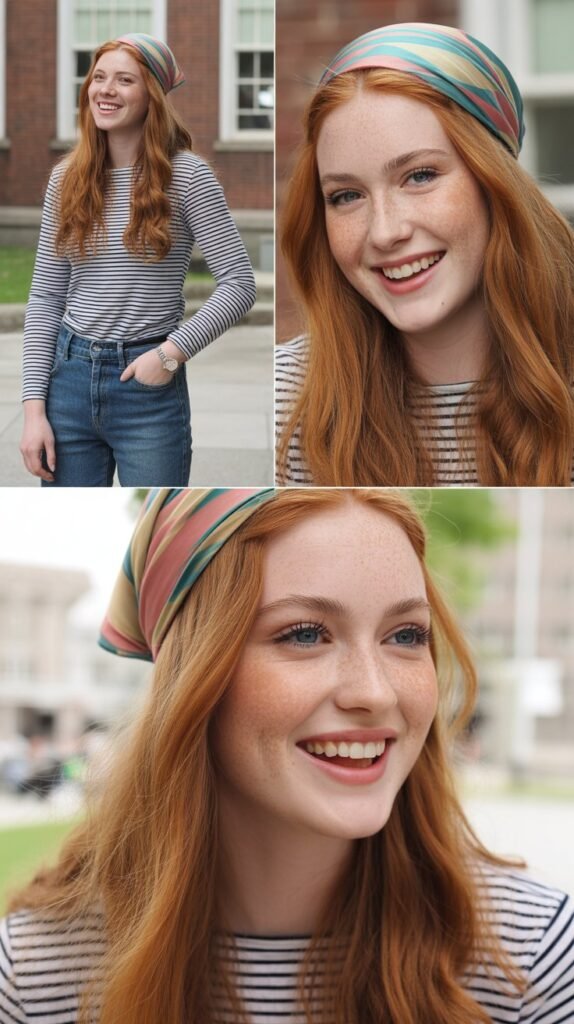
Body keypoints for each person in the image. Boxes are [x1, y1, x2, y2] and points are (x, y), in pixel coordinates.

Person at [1, 486, 573, 1024]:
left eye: (405, 635)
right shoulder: (35, 974)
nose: (375, 693)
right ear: (194, 672)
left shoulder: (530, 960)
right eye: (304, 634)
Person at [276, 22, 574, 486]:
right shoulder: (285, 400)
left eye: (420, 176)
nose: (385, 232)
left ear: (494, 183)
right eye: (347, 196)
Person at [20, 34, 256, 487]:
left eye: (124, 80)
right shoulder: (65, 179)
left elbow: (239, 284)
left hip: (147, 389)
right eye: (99, 77)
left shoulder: (187, 176)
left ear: (152, 96)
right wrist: (34, 410)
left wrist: (169, 355)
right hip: (68, 382)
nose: (106, 90)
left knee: (153, 519)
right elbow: (46, 297)